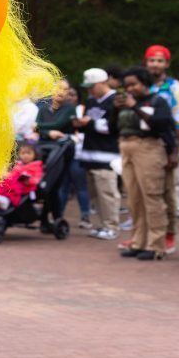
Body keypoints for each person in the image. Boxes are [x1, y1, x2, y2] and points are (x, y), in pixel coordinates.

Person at [113, 66, 175, 261]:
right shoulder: (125, 103)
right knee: (134, 198)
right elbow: (111, 126)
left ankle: (156, 245)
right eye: (127, 85)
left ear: (145, 82)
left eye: (134, 84)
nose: (130, 88)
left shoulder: (158, 101)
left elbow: (161, 124)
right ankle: (138, 241)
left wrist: (134, 107)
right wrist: (116, 109)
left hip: (148, 147)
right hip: (126, 147)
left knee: (151, 196)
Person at [143, 45, 179, 253]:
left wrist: (175, 151)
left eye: (160, 61)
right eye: (152, 60)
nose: (155, 64)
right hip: (145, 146)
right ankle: (146, 235)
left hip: (166, 145)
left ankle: (169, 234)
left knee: (167, 193)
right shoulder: (142, 86)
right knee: (146, 193)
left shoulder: (174, 89)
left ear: (167, 64)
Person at [72, 67, 122, 240]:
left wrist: (90, 123)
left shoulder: (115, 100)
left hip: (107, 155)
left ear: (102, 83)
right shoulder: (92, 100)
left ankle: (111, 226)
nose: (89, 90)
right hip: (89, 154)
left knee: (107, 192)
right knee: (95, 194)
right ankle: (102, 224)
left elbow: (113, 127)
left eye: (92, 86)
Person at [33, 78, 86, 223]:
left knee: (53, 184)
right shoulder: (44, 107)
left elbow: (58, 124)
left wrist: (42, 129)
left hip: (62, 151)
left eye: (65, 89)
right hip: (44, 148)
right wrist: (48, 132)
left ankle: (53, 217)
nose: (61, 92)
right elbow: (35, 126)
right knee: (45, 184)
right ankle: (50, 218)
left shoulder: (70, 108)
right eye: (58, 88)